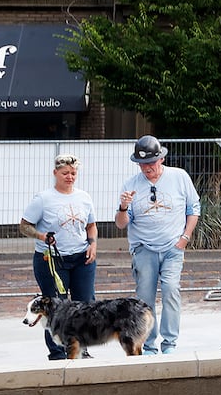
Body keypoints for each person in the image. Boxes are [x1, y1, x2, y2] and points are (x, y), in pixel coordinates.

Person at [116, 135, 200, 355]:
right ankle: (149, 344)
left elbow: (194, 209)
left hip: (173, 247)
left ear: (161, 159)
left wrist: (185, 238)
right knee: (145, 298)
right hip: (144, 248)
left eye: (151, 163)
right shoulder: (131, 184)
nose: (147, 168)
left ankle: (170, 343)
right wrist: (123, 207)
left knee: (171, 289)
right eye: (142, 164)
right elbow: (121, 224)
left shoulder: (179, 177)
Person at [20, 152, 100, 361]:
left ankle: (81, 348)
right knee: (56, 305)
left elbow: (91, 226)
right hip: (52, 259)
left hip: (81, 257)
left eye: (73, 173)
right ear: (56, 173)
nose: (70, 177)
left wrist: (93, 244)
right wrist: (40, 235)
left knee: (85, 305)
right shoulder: (43, 199)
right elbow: (24, 225)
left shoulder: (84, 197)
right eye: (65, 173)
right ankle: (57, 352)